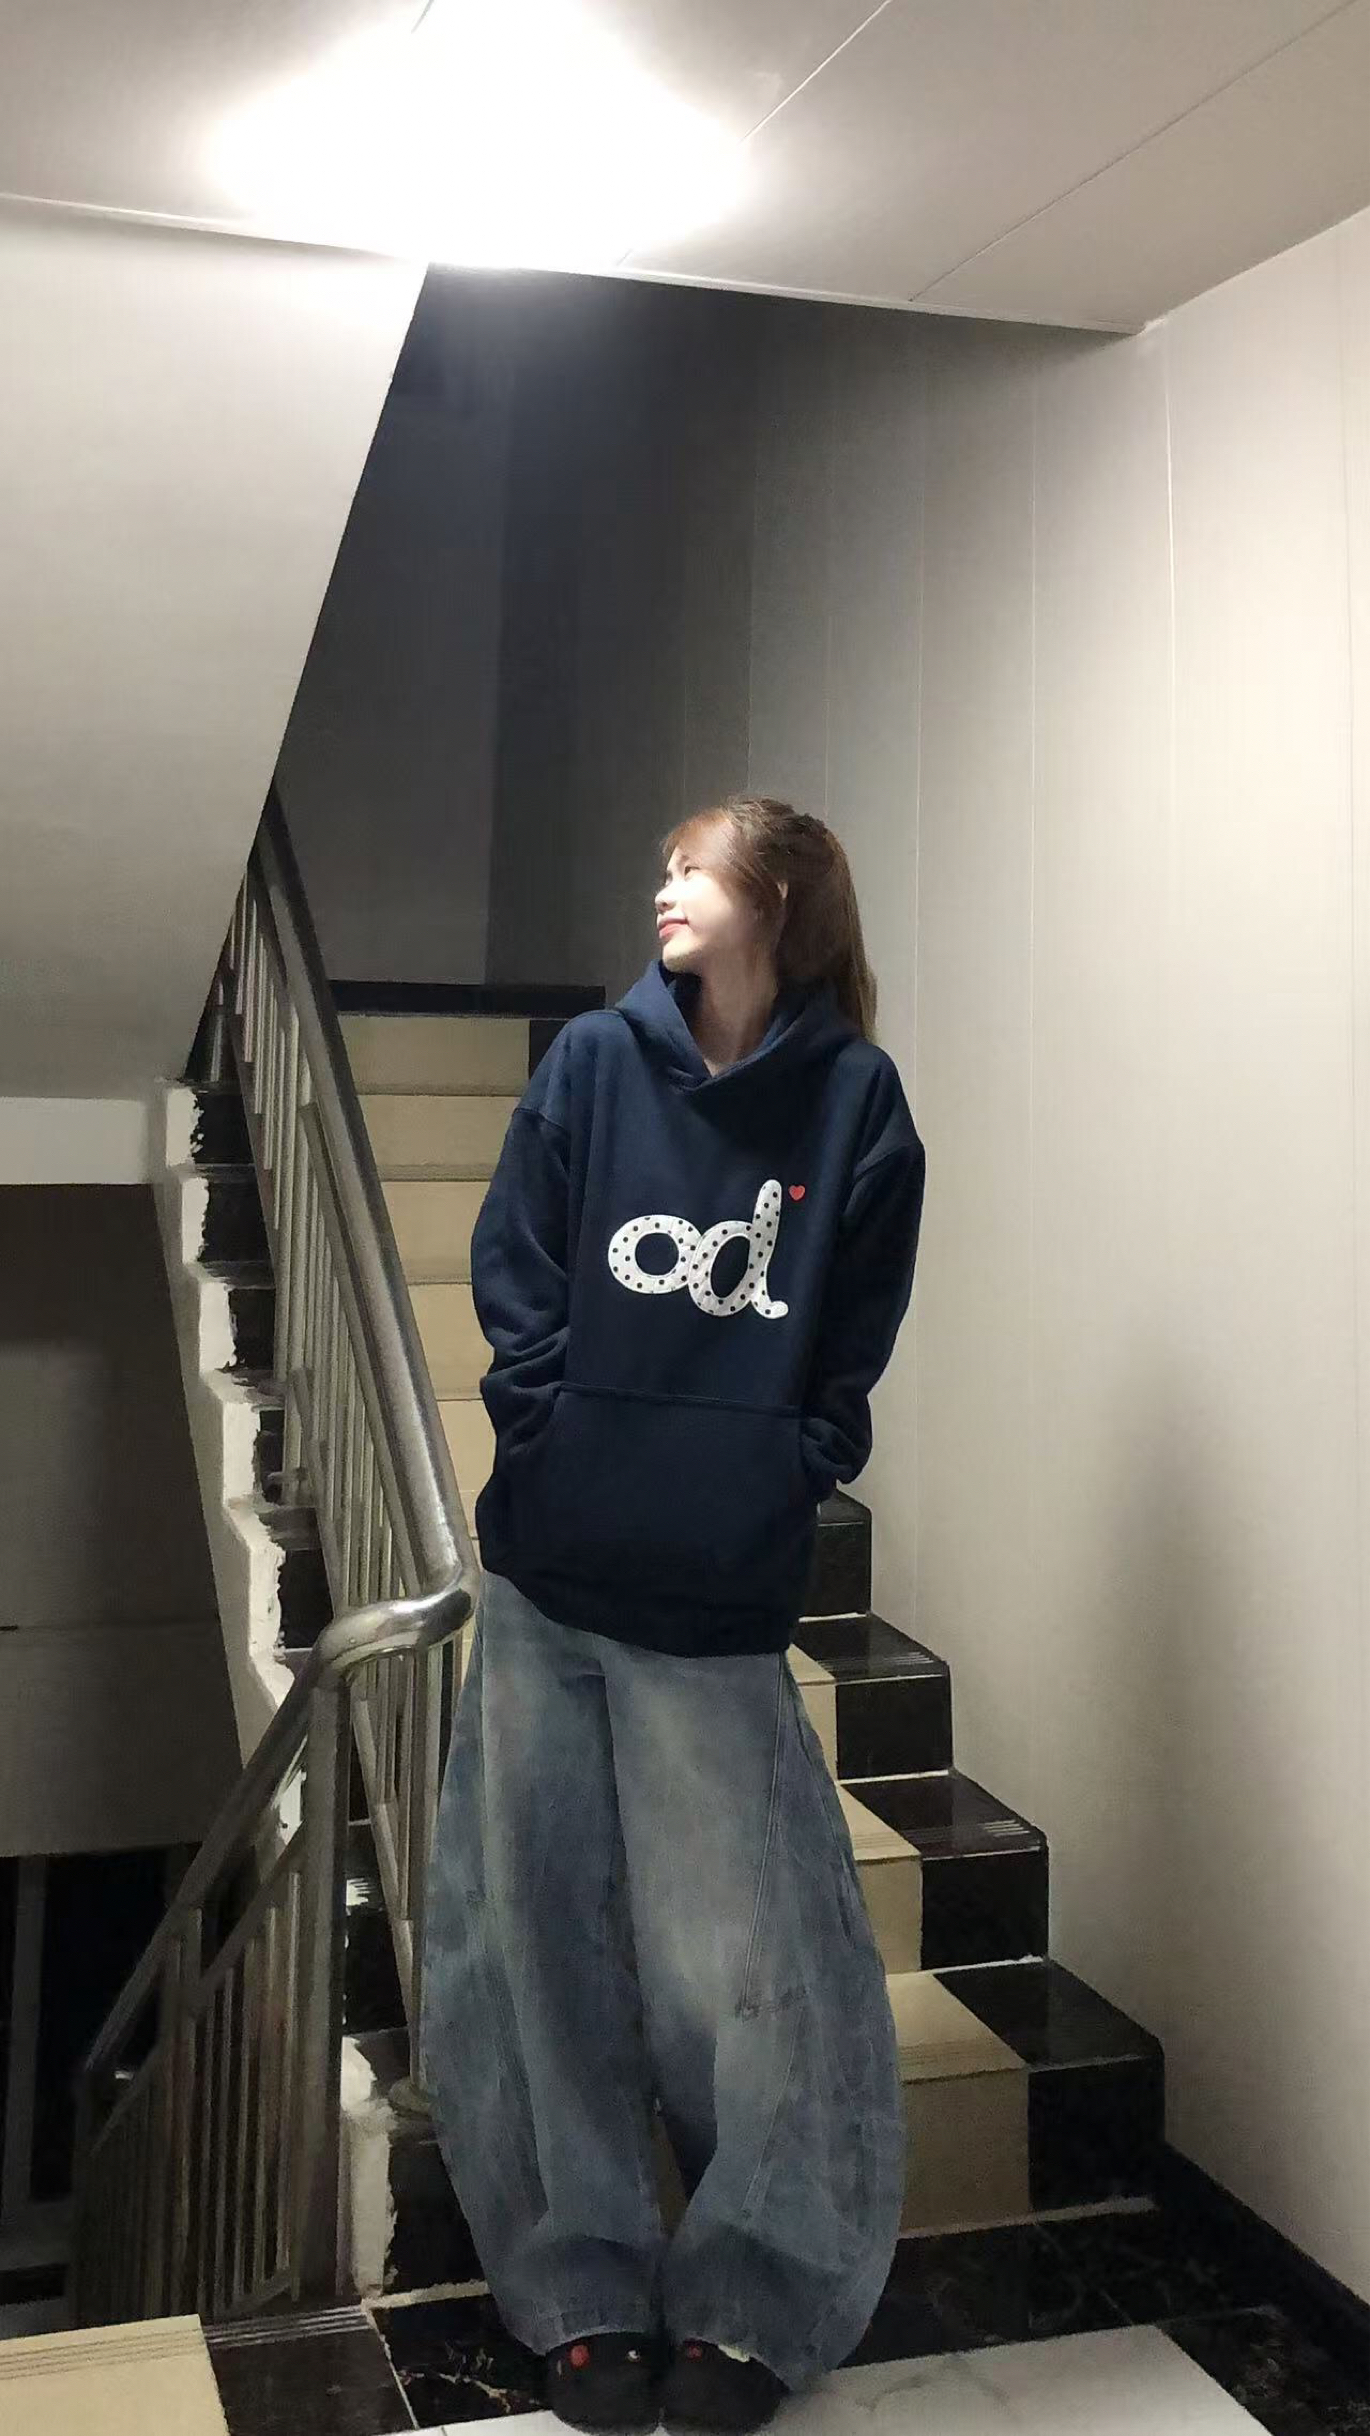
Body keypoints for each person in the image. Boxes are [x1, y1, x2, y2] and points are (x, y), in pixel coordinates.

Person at [420, 795, 927, 2435]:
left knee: (741, 1958)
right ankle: (577, 2283)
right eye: (661, 867)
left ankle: (748, 2296)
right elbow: (516, 1272)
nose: (661, 889)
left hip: (713, 1586)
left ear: (776, 898)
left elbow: (848, 1340)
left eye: (690, 869)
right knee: (533, 1924)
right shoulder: (588, 1064)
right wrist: (550, 1434)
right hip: (549, 1570)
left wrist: (785, 1464)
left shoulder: (853, 1100)